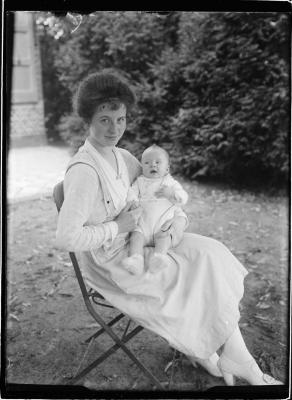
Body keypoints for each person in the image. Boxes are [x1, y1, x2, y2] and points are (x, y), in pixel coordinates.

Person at [55, 69, 282, 386]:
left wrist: (177, 225)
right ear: (87, 119)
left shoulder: (124, 157)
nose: (114, 128)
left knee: (211, 252)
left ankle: (217, 350)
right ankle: (244, 365)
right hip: (115, 262)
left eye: (120, 119)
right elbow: (66, 236)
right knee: (195, 271)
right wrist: (116, 226)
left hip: (149, 238)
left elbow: (163, 200)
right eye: (105, 119)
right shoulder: (84, 170)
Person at [122, 144, 189, 275]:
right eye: (147, 163)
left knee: (164, 237)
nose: (153, 165)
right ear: (142, 167)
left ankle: (159, 258)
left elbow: (183, 198)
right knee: (136, 237)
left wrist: (171, 194)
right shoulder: (140, 182)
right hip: (143, 226)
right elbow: (130, 193)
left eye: (158, 162)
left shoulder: (170, 183)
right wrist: (133, 201)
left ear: (167, 168)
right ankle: (136, 260)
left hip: (162, 226)